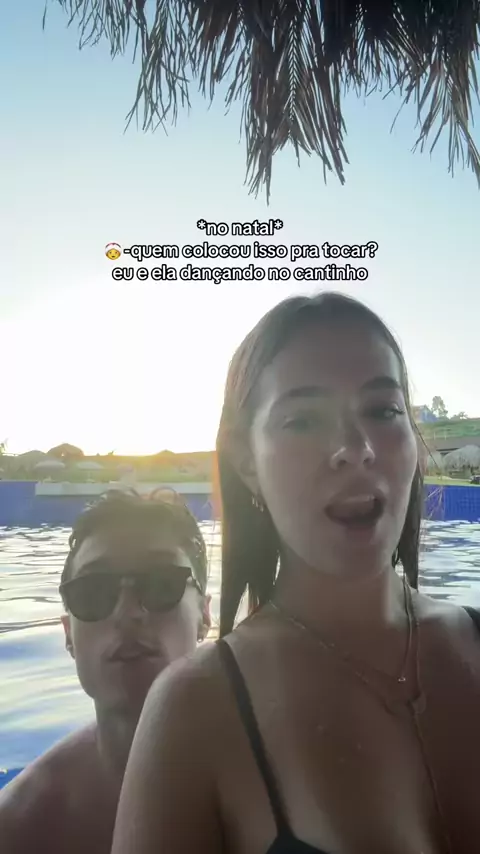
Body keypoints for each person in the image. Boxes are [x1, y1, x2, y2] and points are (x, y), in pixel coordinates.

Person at [111, 292, 480, 854]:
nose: (354, 449)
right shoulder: (196, 711)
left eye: (383, 411)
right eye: (302, 419)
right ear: (246, 461)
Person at [0, 488, 211, 854]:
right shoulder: (22, 828)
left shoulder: (287, 768)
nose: (127, 613)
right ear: (69, 635)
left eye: (161, 584)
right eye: (93, 592)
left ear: (204, 616)